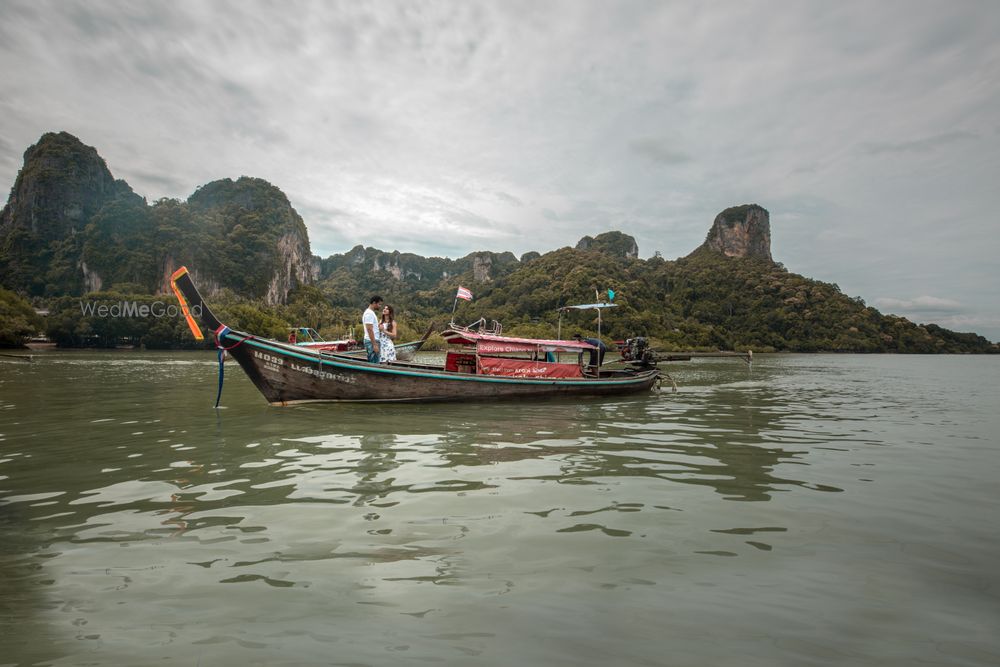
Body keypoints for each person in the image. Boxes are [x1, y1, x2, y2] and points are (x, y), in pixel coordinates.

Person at [362, 295, 383, 363]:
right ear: (374, 303)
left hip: (372, 341)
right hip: (371, 342)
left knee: (374, 362)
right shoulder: (369, 313)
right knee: (374, 364)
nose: (380, 306)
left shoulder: (370, 313)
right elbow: (369, 329)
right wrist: (374, 344)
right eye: (379, 304)